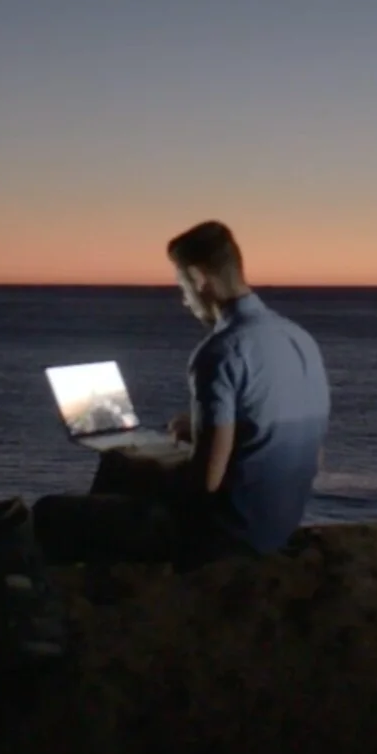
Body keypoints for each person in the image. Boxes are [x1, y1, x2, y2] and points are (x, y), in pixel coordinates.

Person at [39, 220, 332, 568]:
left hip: (228, 535)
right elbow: (308, 455)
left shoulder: (220, 352)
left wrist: (145, 465)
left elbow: (205, 483)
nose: (184, 300)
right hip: (279, 525)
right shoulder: (299, 339)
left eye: (181, 286)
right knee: (127, 468)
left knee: (53, 510)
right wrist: (199, 432)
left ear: (197, 278)